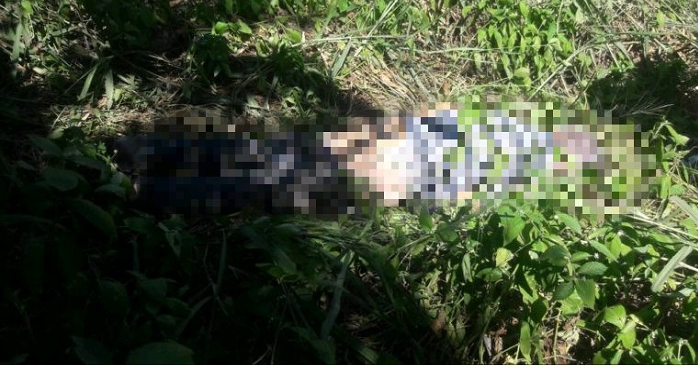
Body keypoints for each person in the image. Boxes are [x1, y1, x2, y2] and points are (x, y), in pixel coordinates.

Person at [113, 100, 648, 218]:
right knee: (266, 160)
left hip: (396, 169)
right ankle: (147, 158)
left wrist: (400, 184)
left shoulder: (526, 174)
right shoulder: (523, 131)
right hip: (392, 151)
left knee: (266, 176)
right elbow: (445, 115)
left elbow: (460, 195)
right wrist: (379, 131)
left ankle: (149, 186)